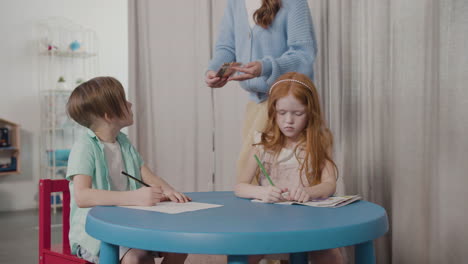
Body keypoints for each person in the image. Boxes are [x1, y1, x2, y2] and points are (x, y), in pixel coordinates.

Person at [65, 76, 189, 264]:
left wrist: (168, 190)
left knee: (180, 245)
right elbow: (82, 197)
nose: (130, 104)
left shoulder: (123, 142)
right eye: (124, 100)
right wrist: (135, 197)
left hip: (130, 223)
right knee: (137, 258)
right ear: (108, 115)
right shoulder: (84, 147)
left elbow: (147, 175)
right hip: (96, 232)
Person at [234, 72, 342, 264]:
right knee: (244, 252)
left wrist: (308, 192)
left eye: (298, 113)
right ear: (273, 111)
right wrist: (262, 192)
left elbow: (329, 184)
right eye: (281, 113)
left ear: (311, 112)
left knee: (331, 256)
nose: (288, 120)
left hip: (309, 222)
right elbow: (240, 186)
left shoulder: (320, 141)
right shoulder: (262, 142)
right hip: (269, 222)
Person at [205, 0, 318, 181]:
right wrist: (215, 70)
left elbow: (303, 55)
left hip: (285, 106)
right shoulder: (236, 3)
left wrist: (264, 67)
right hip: (255, 105)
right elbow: (226, 46)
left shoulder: (293, 3)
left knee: (264, 175)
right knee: (255, 176)